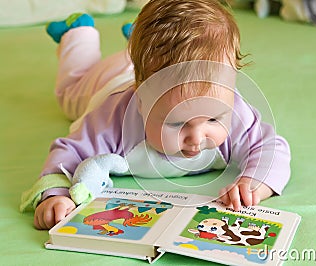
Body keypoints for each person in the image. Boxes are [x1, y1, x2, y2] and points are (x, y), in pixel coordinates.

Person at [22, 0, 291, 230]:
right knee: (71, 95)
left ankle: (137, 40)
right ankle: (77, 34)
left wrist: (253, 183)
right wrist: (55, 196)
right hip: (109, 80)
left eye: (213, 119)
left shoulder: (234, 111)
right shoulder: (111, 120)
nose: (196, 139)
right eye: (177, 122)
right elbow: (67, 154)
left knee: (150, 58)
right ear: (140, 101)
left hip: (145, 71)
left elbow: (271, 147)